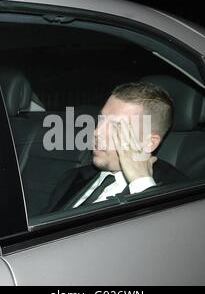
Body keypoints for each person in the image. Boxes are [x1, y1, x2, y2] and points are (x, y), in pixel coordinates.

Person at [42, 82, 187, 214]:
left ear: (149, 143)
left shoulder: (180, 192)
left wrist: (141, 183)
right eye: (101, 120)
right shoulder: (72, 177)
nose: (96, 132)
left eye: (116, 126)